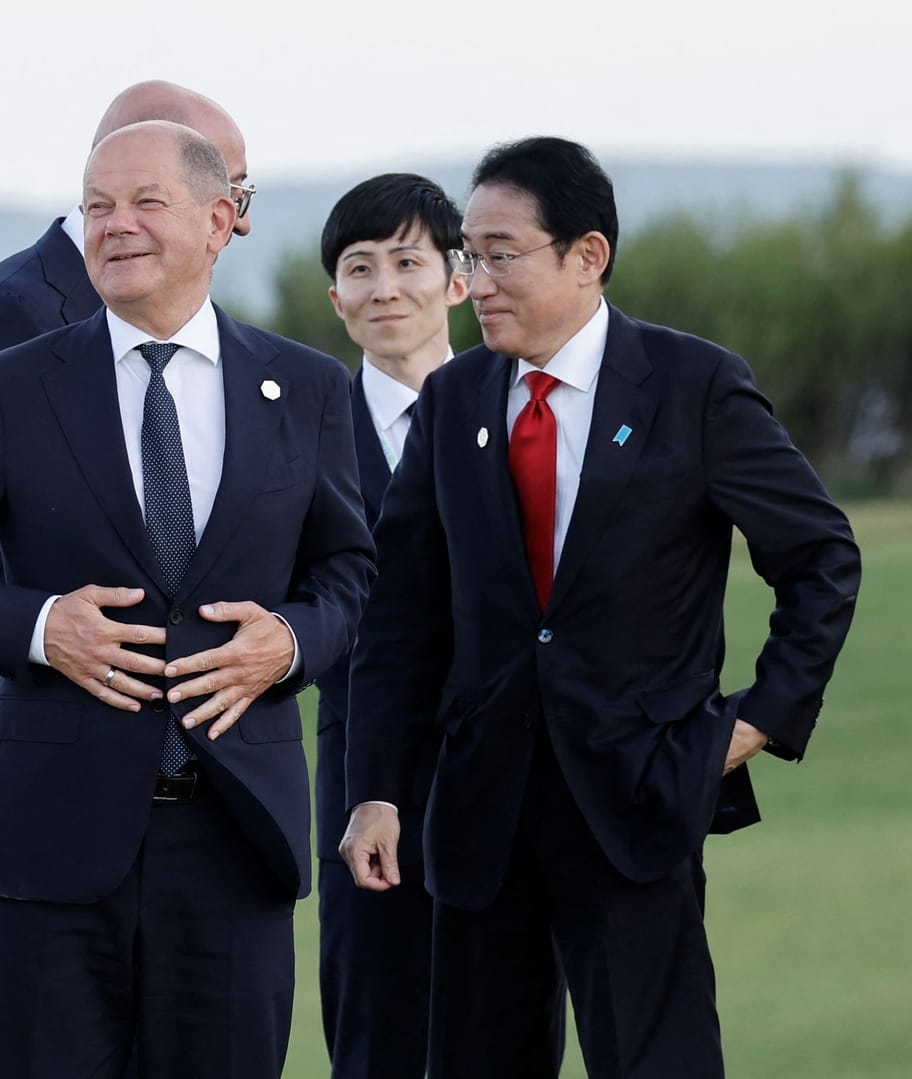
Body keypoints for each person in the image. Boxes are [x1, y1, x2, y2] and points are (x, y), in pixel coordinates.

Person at [339, 137, 862, 1079]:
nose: (479, 279)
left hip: (637, 799)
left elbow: (820, 557)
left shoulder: (693, 386)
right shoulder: (456, 400)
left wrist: (755, 722)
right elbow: (402, 617)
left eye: (501, 253)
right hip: (479, 815)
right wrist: (376, 786)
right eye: (471, 254)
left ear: (588, 256)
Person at [0, 121, 373, 1077]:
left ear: (222, 218)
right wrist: (38, 626)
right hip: (48, 840)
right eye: (97, 204)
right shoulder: (13, 386)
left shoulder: (307, 388)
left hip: (237, 840)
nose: (115, 225)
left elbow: (350, 574)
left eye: (146, 202)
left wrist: (291, 640)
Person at [0, 78, 255, 1079]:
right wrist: (50, 628)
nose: (238, 221)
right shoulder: (21, 309)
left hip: (140, 770)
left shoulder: (191, 333)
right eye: (227, 189)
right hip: (10, 754)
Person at [312, 173, 491, 1079]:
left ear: (458, 278)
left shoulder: (520, 415)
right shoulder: (306, 434)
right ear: (336, 299)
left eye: (408, 261)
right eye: (360, 267)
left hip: (507, 771)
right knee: (375, 1032)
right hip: (360, 780)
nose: (385, 286)